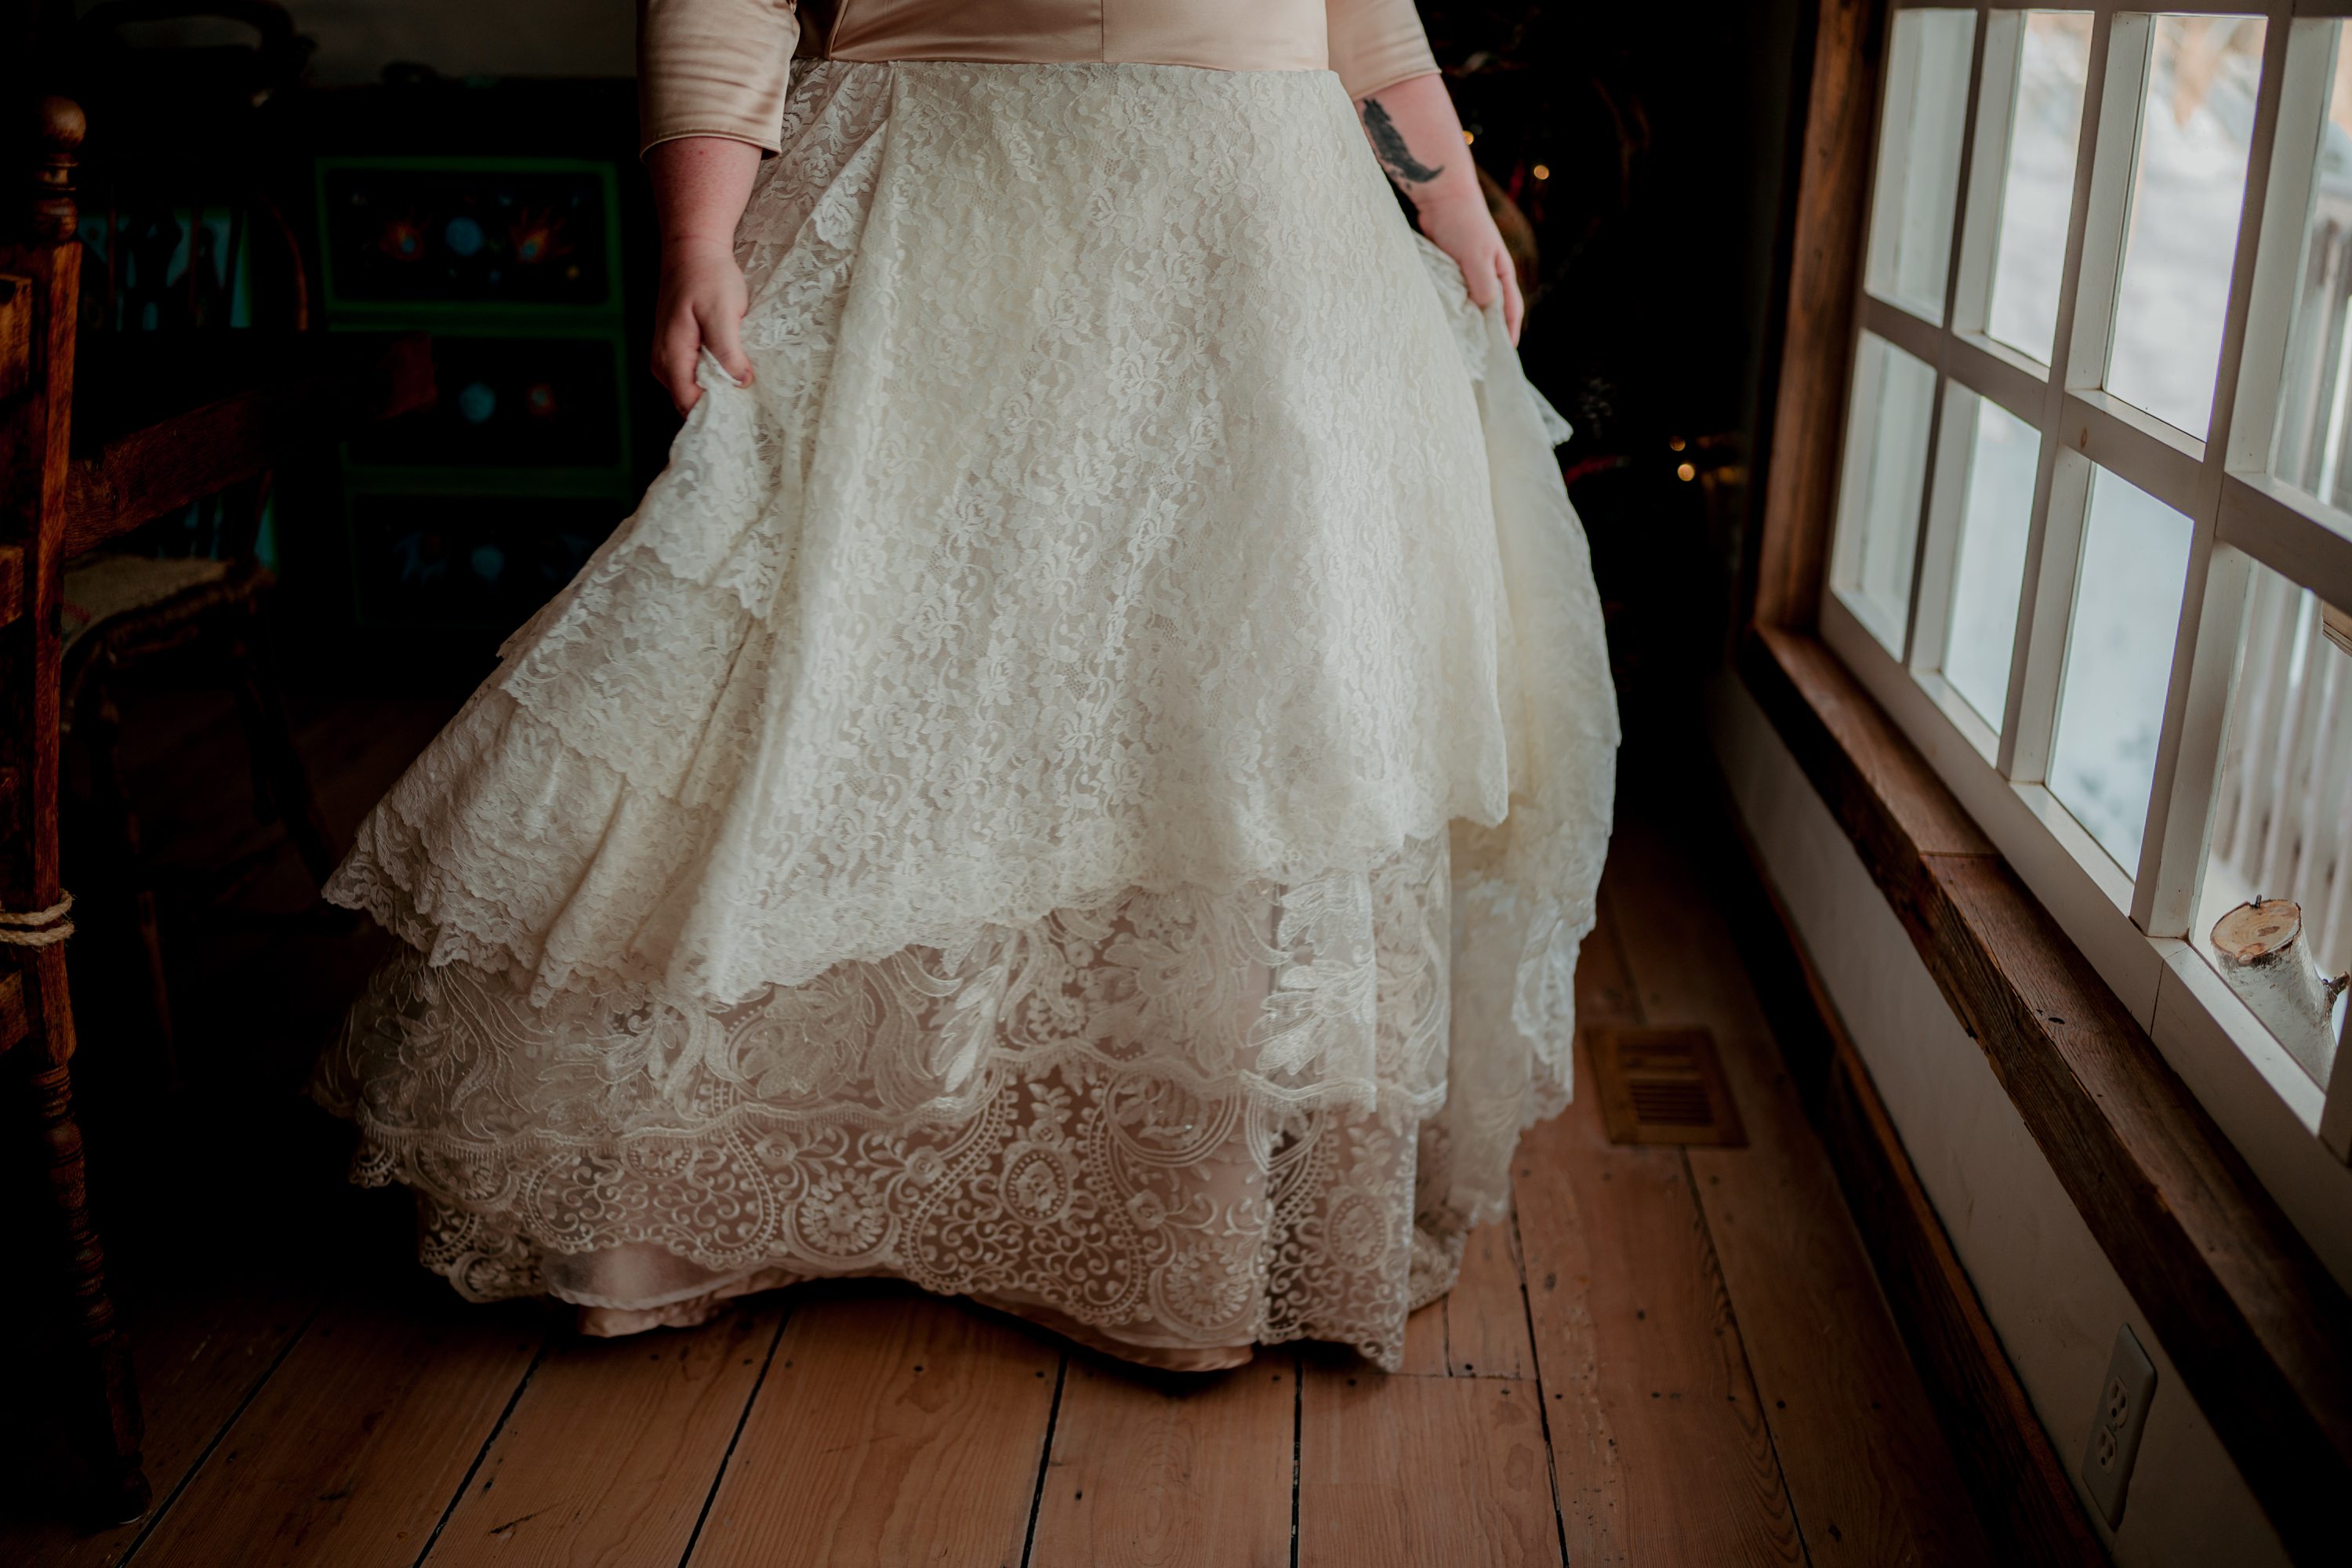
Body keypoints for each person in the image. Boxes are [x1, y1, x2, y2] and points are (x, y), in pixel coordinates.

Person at [310, 0, 1620, 1373]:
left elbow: (1361, 8)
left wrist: (1450, 205)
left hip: (1256, 225)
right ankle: (710, 1190)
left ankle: (1179, 1211)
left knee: (1233, 703)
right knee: (848, 672)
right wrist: (697, 238)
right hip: (926, 191)